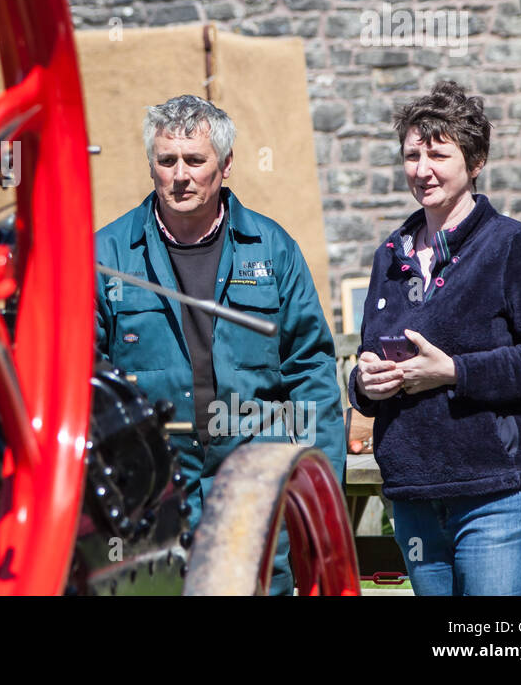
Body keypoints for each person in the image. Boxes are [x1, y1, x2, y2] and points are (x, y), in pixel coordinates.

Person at [95, 94, 345, 595]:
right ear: (151, 167)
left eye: (195, 160)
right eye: (167, 161)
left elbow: (311, 374)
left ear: (225, 165)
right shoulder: (108, 255)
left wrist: (319, 494)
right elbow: (83, 378)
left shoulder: (272, 250)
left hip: (254, 491)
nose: (180, 175)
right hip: (152, 495)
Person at [349, 81, 521, 596]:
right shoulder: (390, 253)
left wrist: (454, 371)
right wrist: (364, 381)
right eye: (412, 154)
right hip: (414, 494)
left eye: (438, 153)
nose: (422, 168)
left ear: (474, 162)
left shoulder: (510, 244)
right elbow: (370, 355)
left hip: (501, 494)